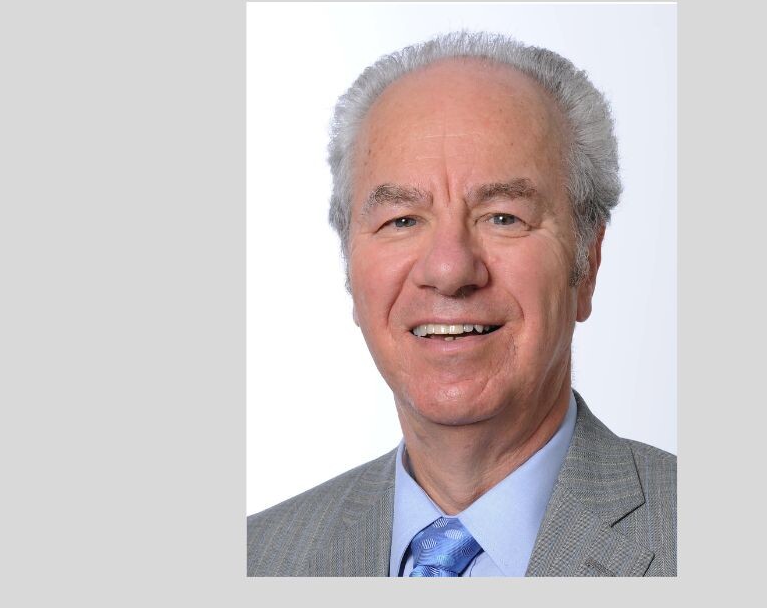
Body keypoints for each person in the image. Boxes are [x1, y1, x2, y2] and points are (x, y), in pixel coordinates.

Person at [246, 30, 676, 577]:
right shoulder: (256, 559)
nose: (449, 271)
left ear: (587, 261)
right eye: (401, 220)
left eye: (503, 217)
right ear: (350, 265)